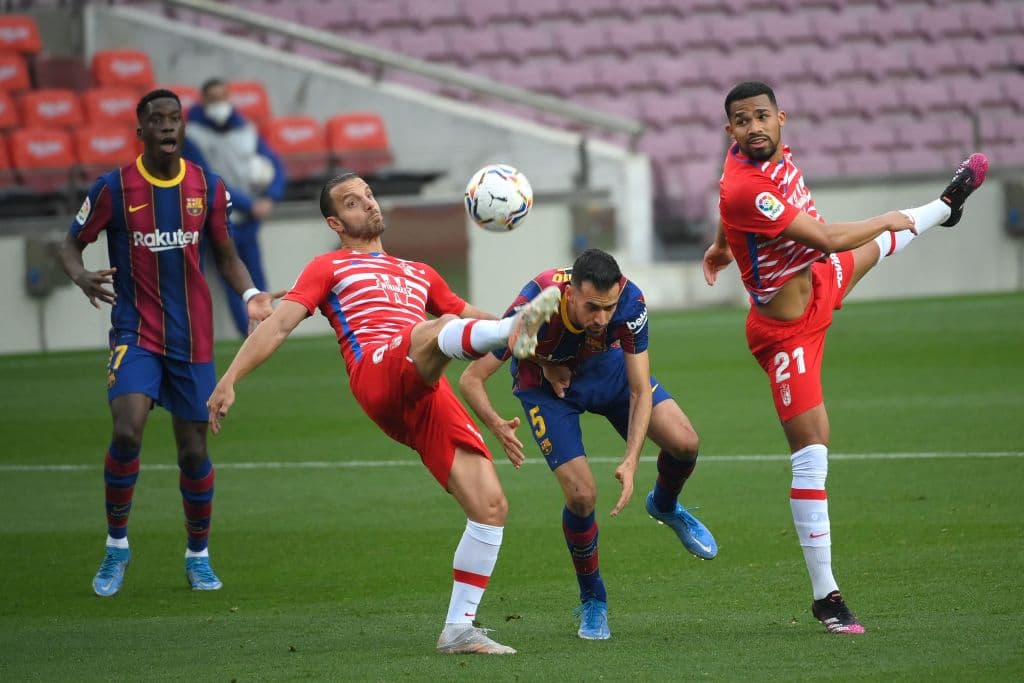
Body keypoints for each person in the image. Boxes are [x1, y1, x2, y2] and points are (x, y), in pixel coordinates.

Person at [205, 172, 562, 655]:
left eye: (369, 195)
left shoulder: (420, 272)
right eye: (353, 203)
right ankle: (513, 334)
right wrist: (230, 378)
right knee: (435, 331)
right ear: (335, 222)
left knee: (491, 505)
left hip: (423, 384)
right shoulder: (327, 267)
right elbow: (280, 324)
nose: (368, 205)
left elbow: (467, 313)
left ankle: (458, 629)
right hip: (377, 371)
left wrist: (532, 349)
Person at [703, 80, 988, 635]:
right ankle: (825, 597)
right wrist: (885, 215)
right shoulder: (747, 187)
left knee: (877, 250)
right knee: (812, 451)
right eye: (742, 120)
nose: (754, 127)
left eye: (761, 116)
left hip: (817, 283)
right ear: (730, 129)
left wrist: (720, 243)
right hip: (785, 333)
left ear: (781, 118)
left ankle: (944, 206)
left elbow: (727, 199)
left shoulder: (753, 155)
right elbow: (827, 237)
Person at [59, 89, 277, 597]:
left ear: (182, 127)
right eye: (156, 119)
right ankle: (117, 546)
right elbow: (69, 244)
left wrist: (249, 294)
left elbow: (225, 253)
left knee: (193, 449)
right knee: (128, 429)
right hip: (136, 333)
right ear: (141, 131)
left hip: (194, 341)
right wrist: (81, 276)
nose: (166, 126)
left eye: (174, 118)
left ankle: (197, 556)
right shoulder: (114, 188)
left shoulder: (206, 186)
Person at [458, 248, 718, 641]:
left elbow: (639, 390)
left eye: (608, 307)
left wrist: (631, 460)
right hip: (546, 389)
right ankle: (593, 598)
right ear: (571, 295)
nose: (602, 318)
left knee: (685, 442)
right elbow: (470, 379)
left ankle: (664, 505)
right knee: (582, 496)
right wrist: (497, 423)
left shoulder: (630, 302)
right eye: (593, 307)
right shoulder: (537, 304)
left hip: (605, 370)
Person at [182, 77, 286, 337]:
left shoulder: (246, 129)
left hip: (249, 219)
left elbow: (276, 164)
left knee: (256, 275)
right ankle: (247, 333)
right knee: (232, 277)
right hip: (217, 217)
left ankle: (267, 329)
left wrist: (269, 197)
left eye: (222, 98)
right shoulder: (191, 134)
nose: (219, 104)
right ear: (203, 100)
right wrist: (250, 204)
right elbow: (204, 178)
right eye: (213, 99)